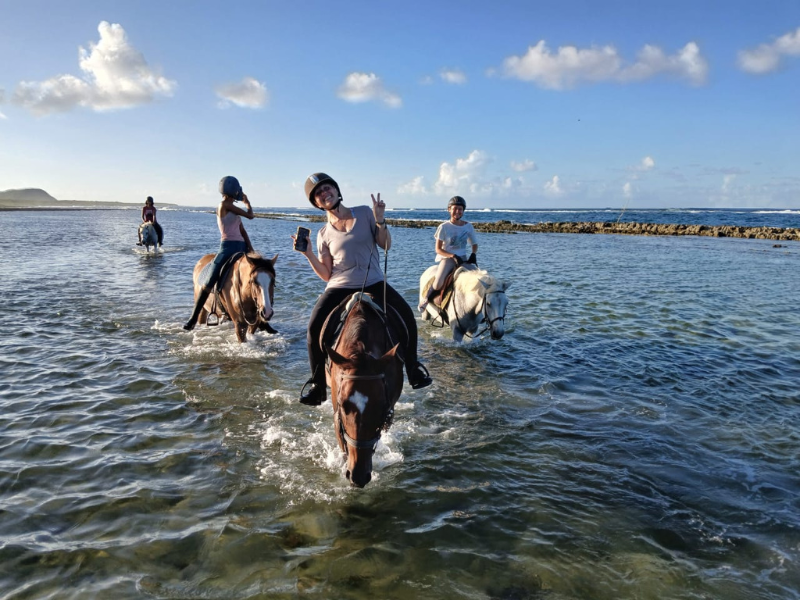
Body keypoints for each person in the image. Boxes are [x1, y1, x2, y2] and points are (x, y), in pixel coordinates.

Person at [293, 172, 432, 406]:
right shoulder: (323, 234)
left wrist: (380, 220)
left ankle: (413, 369)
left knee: (407, 316)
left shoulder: (365, 213)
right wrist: (308, 254)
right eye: (318, 193)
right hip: (339, 286)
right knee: (313, 329)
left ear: (337, 191)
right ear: (316, 203)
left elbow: (385, 244)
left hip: (374, 282)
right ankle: (318, 384)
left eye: (327, 188)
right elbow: (326, 274)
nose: (324, 193)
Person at [183, 176, 255, 331]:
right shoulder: (223, 205)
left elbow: (243, 232)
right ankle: (194, 316)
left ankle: (259, 318)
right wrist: (247, 203)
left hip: (241, 247)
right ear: (233, 190)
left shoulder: (235, 213)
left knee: (257, 278)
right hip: (228, 247)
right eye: (238, 190)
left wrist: (250, 249)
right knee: (210, 280)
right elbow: (250, 215)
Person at [418, 195, 479, 312]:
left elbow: (474, 244)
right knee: (438, 283)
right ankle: (426, 299)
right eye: (454, 208)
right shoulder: (444, 227)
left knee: (478, 280)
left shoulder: (468, 226)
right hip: (447, 258)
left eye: (460, 209)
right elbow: (438, 249)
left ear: (463, 211)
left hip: (463, 259)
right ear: (449, 209)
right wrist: (452, 256)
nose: (457, 211)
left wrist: (473, 254)